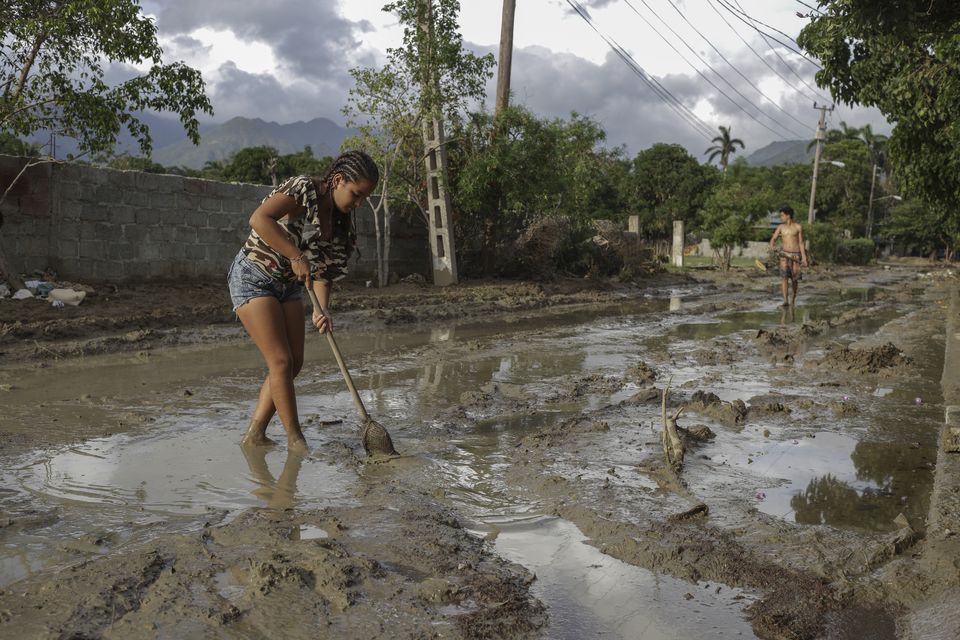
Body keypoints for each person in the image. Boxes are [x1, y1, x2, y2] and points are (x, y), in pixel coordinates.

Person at [227, 150, 379, 452]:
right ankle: (296, 441)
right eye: (356, 194)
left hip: (289, 287)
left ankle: (256, 433)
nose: (358, 204)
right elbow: (259, 219)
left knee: (294, 363)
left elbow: (324, 273)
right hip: (253, 276)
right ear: (337, 180)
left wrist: (322, 310)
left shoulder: (340, 224)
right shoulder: (303, 189)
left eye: (364, 199)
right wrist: (295, 255)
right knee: (280, 361)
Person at [769, 205, 808, 307]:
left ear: (788, 215)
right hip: (784, 255)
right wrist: (772, 245)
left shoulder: (798, 227)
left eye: (782, 215)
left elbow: (801, 243)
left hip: (795, 256)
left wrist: (804, 258)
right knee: (784, 277)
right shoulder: (781, 227)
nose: (781, 217)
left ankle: (793, 299)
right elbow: (773, 239)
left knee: (795, 279)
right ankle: (785, 300)